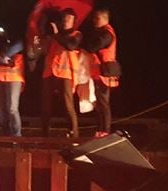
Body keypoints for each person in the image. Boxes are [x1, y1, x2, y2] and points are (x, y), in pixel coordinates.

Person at [40, 9, 82, 138]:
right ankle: (44, 134)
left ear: (74, 21)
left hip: (65, 74)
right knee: (46, 105)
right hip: (49, 72)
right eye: (64, 18)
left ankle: (74, 134)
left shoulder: (76, 34)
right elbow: (44, 50)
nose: (66, 21)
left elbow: (70, 45)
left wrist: (57, 34)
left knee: (68, 105)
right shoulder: (53, 35)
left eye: (69, 19)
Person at [82, 8, 120, 137]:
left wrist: (85, 45)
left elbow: (94, 46)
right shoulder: (101, 32)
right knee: (99, 103)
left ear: (105, 19)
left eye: (97, 18)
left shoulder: (107, 34)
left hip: (105, 72)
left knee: (103, 102)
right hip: (99, 71)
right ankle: (100, 129)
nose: (94, 21)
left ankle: (105, 130)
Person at [0, 29, 26, 136]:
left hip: (13, 78)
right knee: (2, 109)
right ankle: (6, 135)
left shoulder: (17, 45)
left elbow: (10, 62)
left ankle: (17, 136)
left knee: (12, 108)